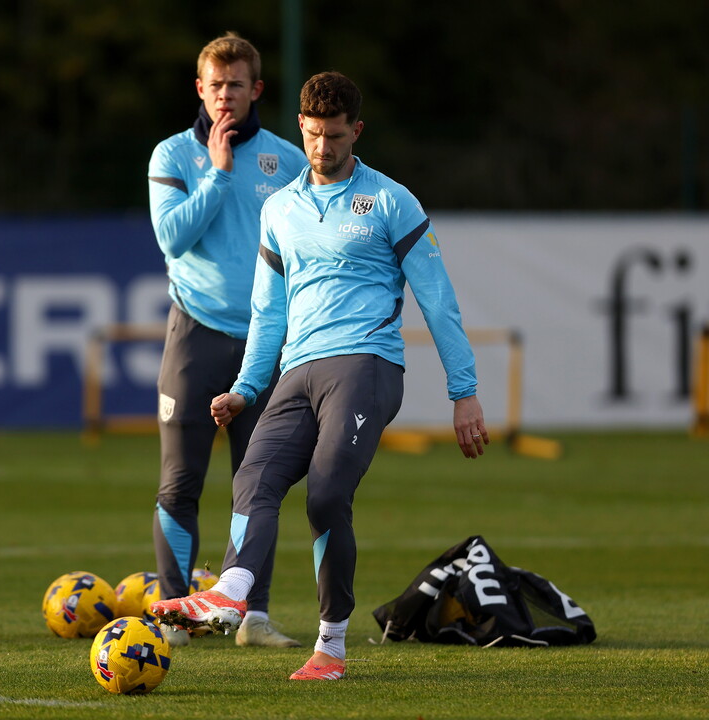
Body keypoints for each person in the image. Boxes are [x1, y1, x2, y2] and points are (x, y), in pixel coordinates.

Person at [152, 72, 489, 680]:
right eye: (311, 135)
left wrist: (463, 393)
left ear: (355, 131)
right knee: (255, 473)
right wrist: (246, 388)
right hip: (296, 370)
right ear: (302, 128)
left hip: (366, 364)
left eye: (333, 136)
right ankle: (231, 592)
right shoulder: (279, 208)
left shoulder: (391, 201)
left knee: (328, 492)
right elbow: (267, 313)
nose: (320, 148)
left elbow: (439, 301)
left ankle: (330, 644)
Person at [147, 32, 307, 647]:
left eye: (235, 85)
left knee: (258, 481)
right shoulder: (171, 156)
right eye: (214, 85)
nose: (224, 96)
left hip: (265, 344)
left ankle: (251, 618)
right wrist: (216, 176)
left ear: (255, 90)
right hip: (194, 337)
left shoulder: (287, 160)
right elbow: (173, 239)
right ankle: (172, 617)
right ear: (199, 89)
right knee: (179, 483)